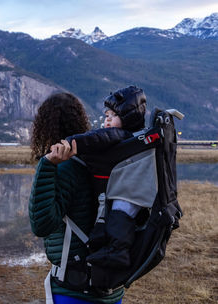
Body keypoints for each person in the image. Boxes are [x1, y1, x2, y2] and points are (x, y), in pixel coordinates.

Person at [28, 92, 124, 304]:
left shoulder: (65, 169)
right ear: (81, 120)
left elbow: (41, 225)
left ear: (45, 127)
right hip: (111, 285)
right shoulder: (102, 161)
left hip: (75, 290)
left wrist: (46, 166)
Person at [65, 86, 147, 268]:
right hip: (124, 190)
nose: (107, 119)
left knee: (118, 219)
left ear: (128, 118)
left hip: (125, 194)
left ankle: (117, 254)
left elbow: (95, 138)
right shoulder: (128, 137)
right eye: (106, 115)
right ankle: (108, 250)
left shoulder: (118, 134)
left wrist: (71, 143)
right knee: (111, 220)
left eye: (113, 115)